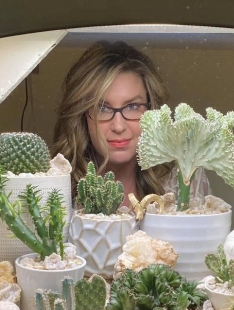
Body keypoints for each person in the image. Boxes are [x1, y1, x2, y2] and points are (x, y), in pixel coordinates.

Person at [52, 40, 210, 208]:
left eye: (133, 107)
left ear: (151, 111)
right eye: (102, 108)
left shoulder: (185, 178)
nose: (118, 126)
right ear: (82, 115)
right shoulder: (56, 187)